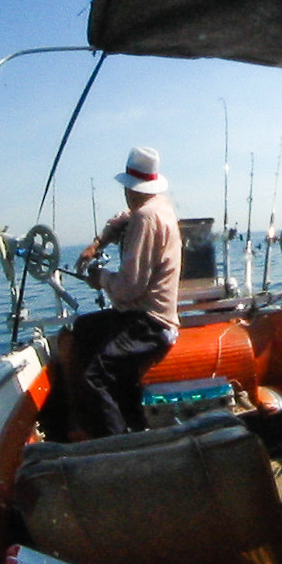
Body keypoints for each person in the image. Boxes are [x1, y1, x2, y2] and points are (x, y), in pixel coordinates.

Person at [51, 146, 182, 438]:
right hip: (145, 317)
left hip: (151, 324)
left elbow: (129, 288)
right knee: (83, 329)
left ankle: (117, 445)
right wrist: (98, 244)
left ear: (131, 187)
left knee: (94, 377)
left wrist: (100, 278)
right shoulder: (158, 207)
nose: (125, 194)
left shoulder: (146, 219)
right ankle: (134, 427)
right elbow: (123, 218)